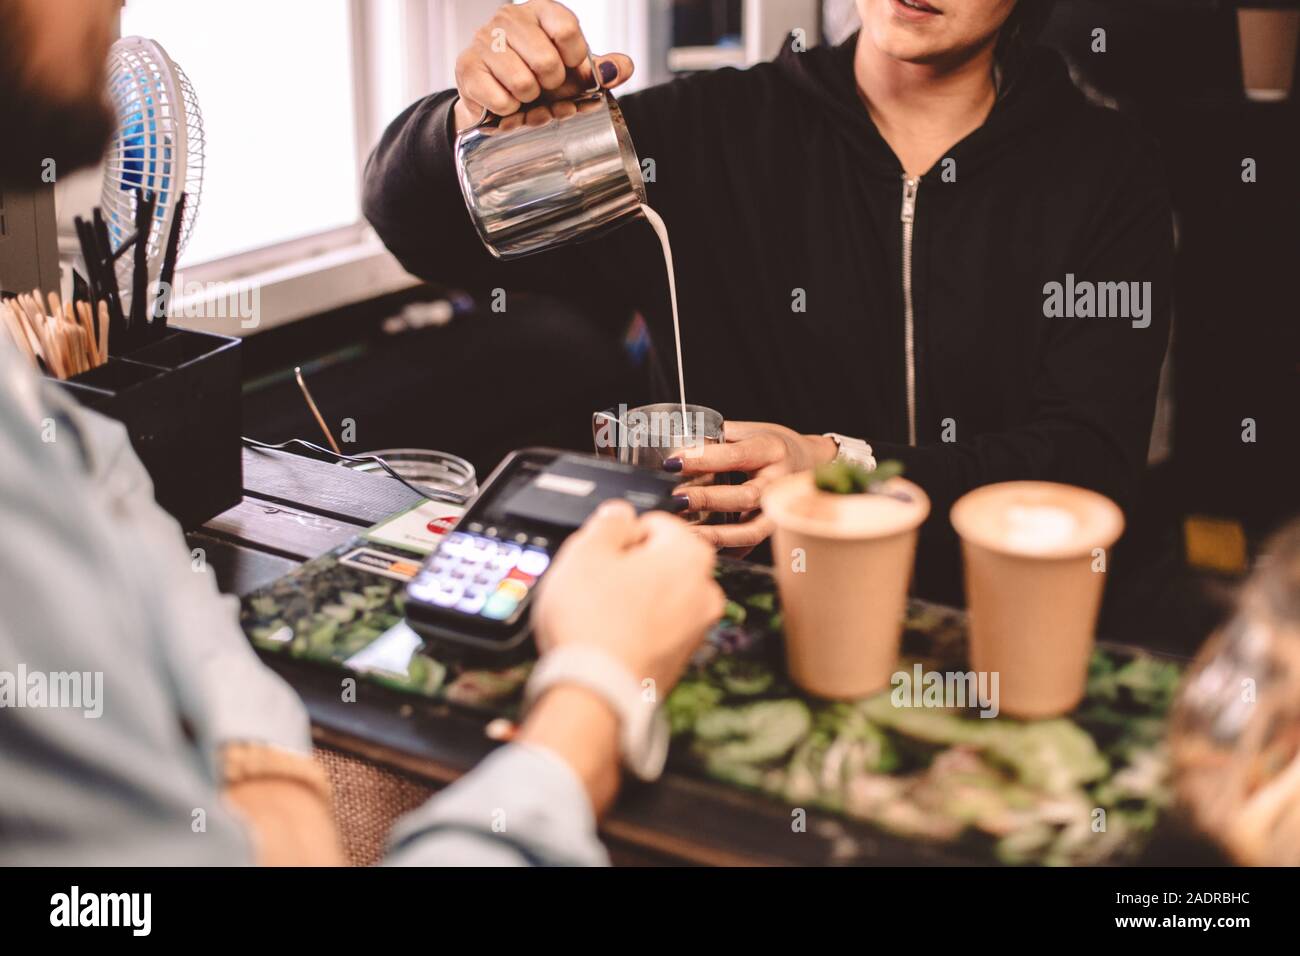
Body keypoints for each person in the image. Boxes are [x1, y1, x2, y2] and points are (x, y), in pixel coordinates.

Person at [0, 0, 724, 866]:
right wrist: (596, 691)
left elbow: (122, 513)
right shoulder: (721, 118)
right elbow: (402, 209)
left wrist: (271, 776)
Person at [364, 0, 1174, 604]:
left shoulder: (1103, 173)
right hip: (726, 618)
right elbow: (420, 230)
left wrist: (839, 467)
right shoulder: (708, 132)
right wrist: (468, 121)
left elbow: (1089, 466)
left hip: (984, 631)